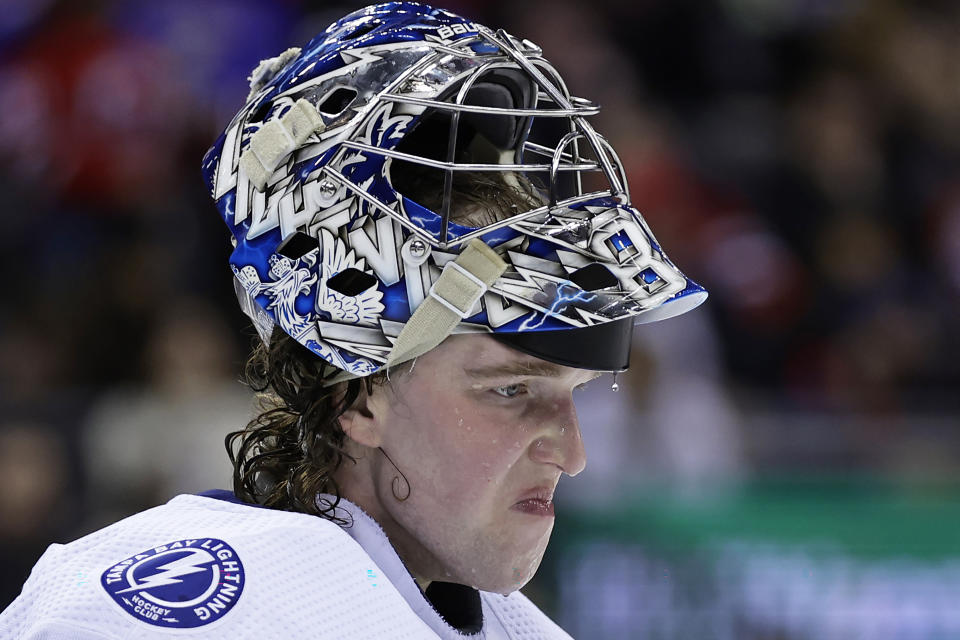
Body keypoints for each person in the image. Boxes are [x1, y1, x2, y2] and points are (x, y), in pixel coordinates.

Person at [0, 3, 707, 638]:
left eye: (576, 391)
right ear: (357, 393)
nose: (572, 453)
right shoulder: (175, 611)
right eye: (511, 390)